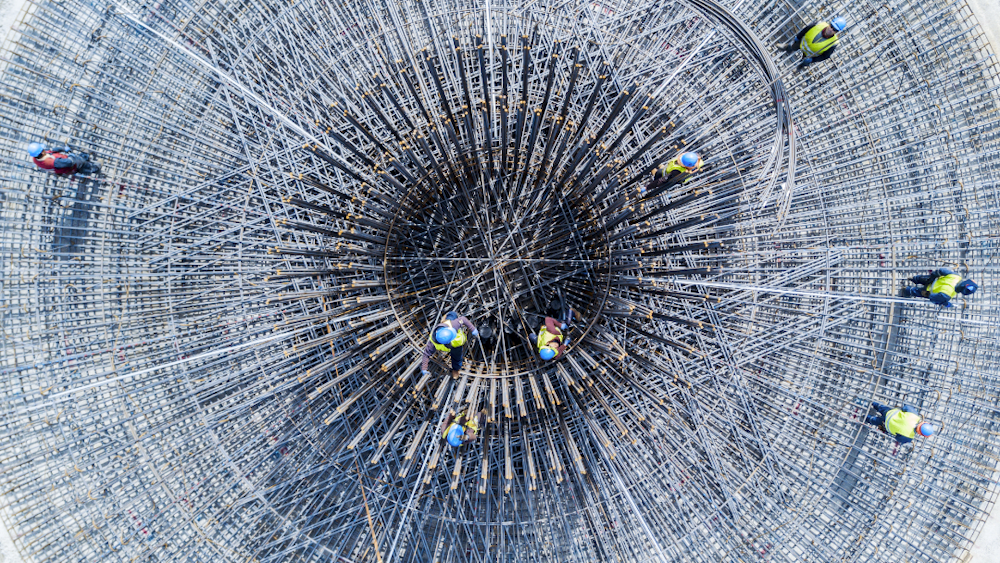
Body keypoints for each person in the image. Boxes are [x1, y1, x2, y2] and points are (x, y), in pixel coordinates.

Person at [421, 312, 478, 379]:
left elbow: (463, 319)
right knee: (456, 356)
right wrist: (424, 368)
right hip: (455, 345)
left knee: (452, 315)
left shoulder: (454, 325)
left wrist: (473, 329)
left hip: (455, 340)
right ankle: (456, 370)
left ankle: (456, 369)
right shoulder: (433, 342)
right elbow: (426, 354)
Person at [780, 17, 847, 68]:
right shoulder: (819, 24)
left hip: (809, 55)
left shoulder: (833, 43)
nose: (831, 29)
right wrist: (798, 37)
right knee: (792, 47)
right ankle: (786, 48)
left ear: (836, 32)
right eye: (831, 26)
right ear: (829, 24)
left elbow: (825, 56)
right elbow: (805, 30)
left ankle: (798, 68)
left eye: (834, 29)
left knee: (802, 64)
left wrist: (812, 60)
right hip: (801, 43)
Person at [864, 402, 937, 444]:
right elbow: (898, 438)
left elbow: (906, 407)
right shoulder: (909, 437)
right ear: (921, 434)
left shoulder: (914, 415)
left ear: (924, 423)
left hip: (889, 413)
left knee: (881, 407)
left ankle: (872, 403)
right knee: (874, 420)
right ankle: (864, 416)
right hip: (885, 425)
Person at [903, 267, 978, 307]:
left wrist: (934, 275)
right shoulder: (949, 295)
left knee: (922, 278)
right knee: (916, 291)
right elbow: (935, 299)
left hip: (932, 280)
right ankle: (905, 290)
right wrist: (947, 304)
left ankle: (912, 278)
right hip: (928, 291)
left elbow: (941, 270)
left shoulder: (956, 277)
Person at [27, 142, 100, 176]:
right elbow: (70, 162)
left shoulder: (36, 157)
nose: (44, 150)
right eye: (42, 149)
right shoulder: (53, 162)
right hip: (70, 166)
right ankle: (95, 168)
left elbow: (50, 150)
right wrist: (71, 155)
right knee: (80, 162)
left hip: (63, 160)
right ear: (42, 153)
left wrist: (62, 149)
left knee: (80, 158)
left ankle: (85, 159)